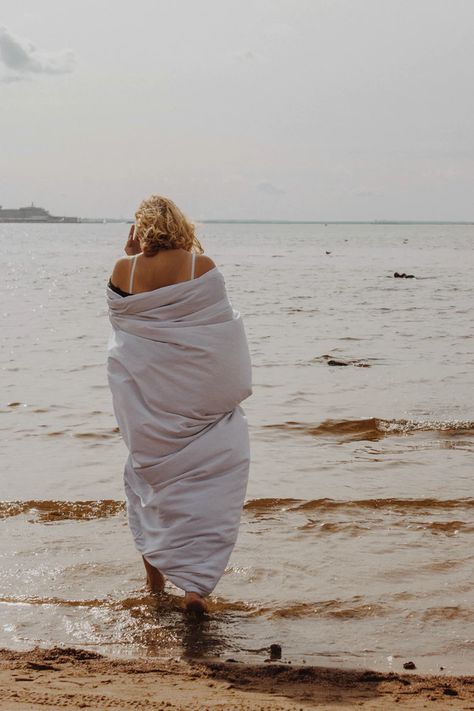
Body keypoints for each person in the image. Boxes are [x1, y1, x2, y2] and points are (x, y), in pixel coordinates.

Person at [106, 195, 252, 614]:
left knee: (148, 486)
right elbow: (219, 336)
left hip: (147, 402)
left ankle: (154, 587)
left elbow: (124, 329)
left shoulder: (122, 269)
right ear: (180, 225)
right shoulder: (200, 267)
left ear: (140, 228)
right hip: (198, 403)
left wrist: (131, 256)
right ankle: (195, 590)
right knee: (210, 492)